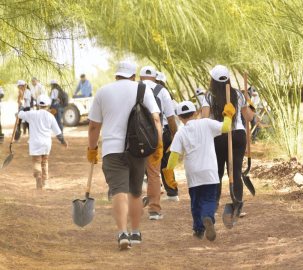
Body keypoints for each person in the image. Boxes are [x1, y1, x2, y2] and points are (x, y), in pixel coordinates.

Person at [87, 61, 162, 250]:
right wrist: (157, 146)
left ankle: (122, 233)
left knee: (119, 191)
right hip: (138, 149)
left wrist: (92, 148)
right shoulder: (142, 89)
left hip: (112, 149)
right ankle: (135, 232)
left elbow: (94, 126)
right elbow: (155, 118)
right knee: (135, 192)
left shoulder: (103, 91)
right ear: (133, 76)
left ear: (116, 75)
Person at [163, 101, 235, 241]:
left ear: (179, 117)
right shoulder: (206, 123)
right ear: (196, 112)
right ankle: (208, 217)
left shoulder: (181, 132)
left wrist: (169, 174)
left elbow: (173, 156)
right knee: (209, 200)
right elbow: (226, 128)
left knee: (196, 203)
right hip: (210, 172)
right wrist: (228, 115)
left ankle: (198, 230)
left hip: (193, 174)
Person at [202, 65, 254, 215]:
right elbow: (250, 117)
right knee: (236, 171)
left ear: (213, 80)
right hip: (238, 135)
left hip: (218, 135)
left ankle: (214, 204)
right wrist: (249, 101)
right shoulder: (238, 94)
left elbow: (204, 119)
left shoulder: (209, 96)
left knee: (216, 172)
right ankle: (237, 205)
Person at [140, 66, 178, 221]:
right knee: (155, 172)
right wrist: (176, 135)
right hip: (157, 135)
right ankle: (154, 210)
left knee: (136, 172)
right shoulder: (162, 91)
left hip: (135, 137)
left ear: (140, 77)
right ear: (155, 78)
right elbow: (170, 117)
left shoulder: (135, 88)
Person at [18, 95, 68, 189]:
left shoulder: (32, 114)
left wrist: (20, 106)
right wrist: (63, 141)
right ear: (48, 105)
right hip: (46, 143)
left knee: (37, 161)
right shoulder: (50, 116)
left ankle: (38, 179)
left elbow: (20, 114)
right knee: (44, 162)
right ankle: (45, 183)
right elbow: (58, 132)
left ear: (38, 104)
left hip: (35, 143)